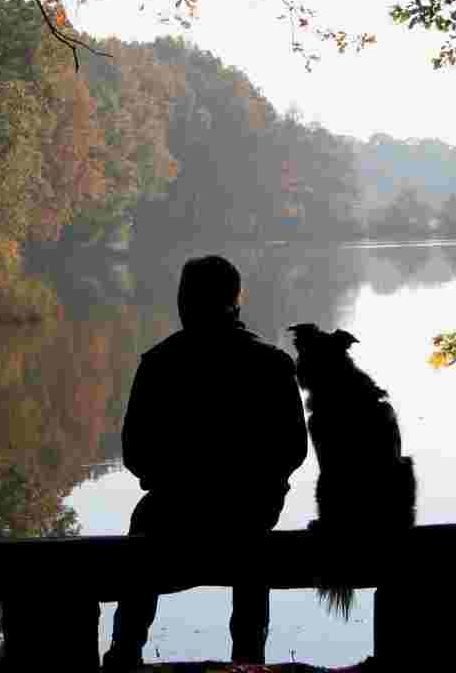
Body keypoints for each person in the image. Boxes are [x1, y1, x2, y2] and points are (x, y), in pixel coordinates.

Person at [102, 255, 308, 670]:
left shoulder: (159, 364)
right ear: (236, 300)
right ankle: (249, 657)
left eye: (185, 296)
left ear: (185, 301)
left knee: (144, 529)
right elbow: (293, 450)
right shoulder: (272, 363)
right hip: (250, 509)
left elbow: (135, 452)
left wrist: (175, 480)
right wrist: (257, 483)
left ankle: (124, 654)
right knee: (253, 544)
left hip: (175, 508)